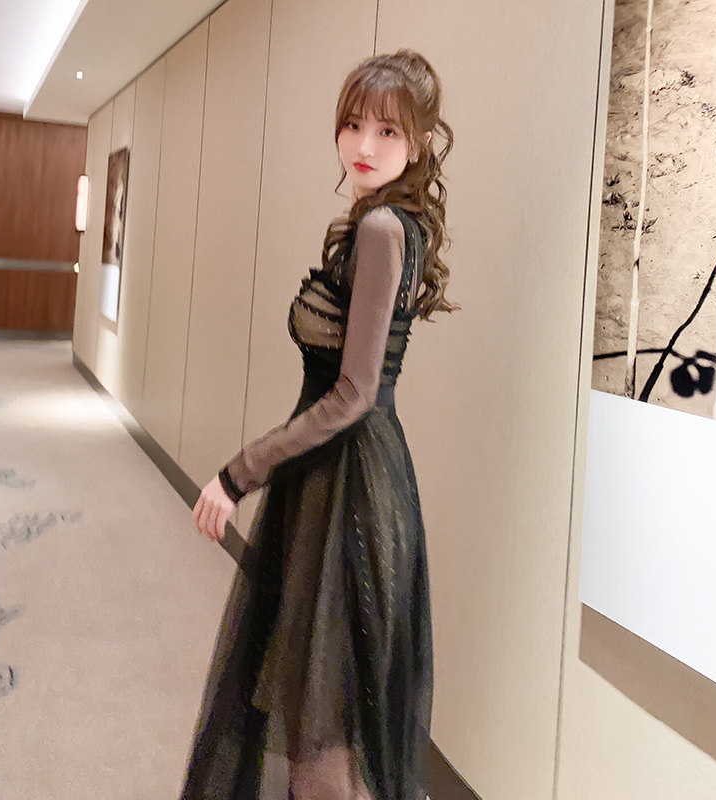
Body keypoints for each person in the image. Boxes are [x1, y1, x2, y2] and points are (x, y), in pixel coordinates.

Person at [182, 49, 457, 800]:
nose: (364, 145)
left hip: (348, 484)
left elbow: (353, 393)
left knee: (321, 719)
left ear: (418, 143)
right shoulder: (395, 223)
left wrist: (238, 473)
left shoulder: (382, 229)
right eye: (352, 125)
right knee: (331, 708)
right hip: (354, 473)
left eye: (387, 132)